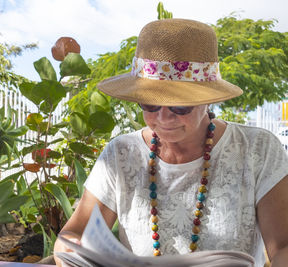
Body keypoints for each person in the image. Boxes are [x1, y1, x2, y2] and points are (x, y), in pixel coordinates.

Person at [53, 18, 288, 267]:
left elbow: (283, 246)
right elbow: (72, 235)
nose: (164, 118)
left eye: (180, 105)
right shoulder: (121, 154)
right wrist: (73, 255)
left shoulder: (257, 150)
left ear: (209, 100)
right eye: (150, 103)